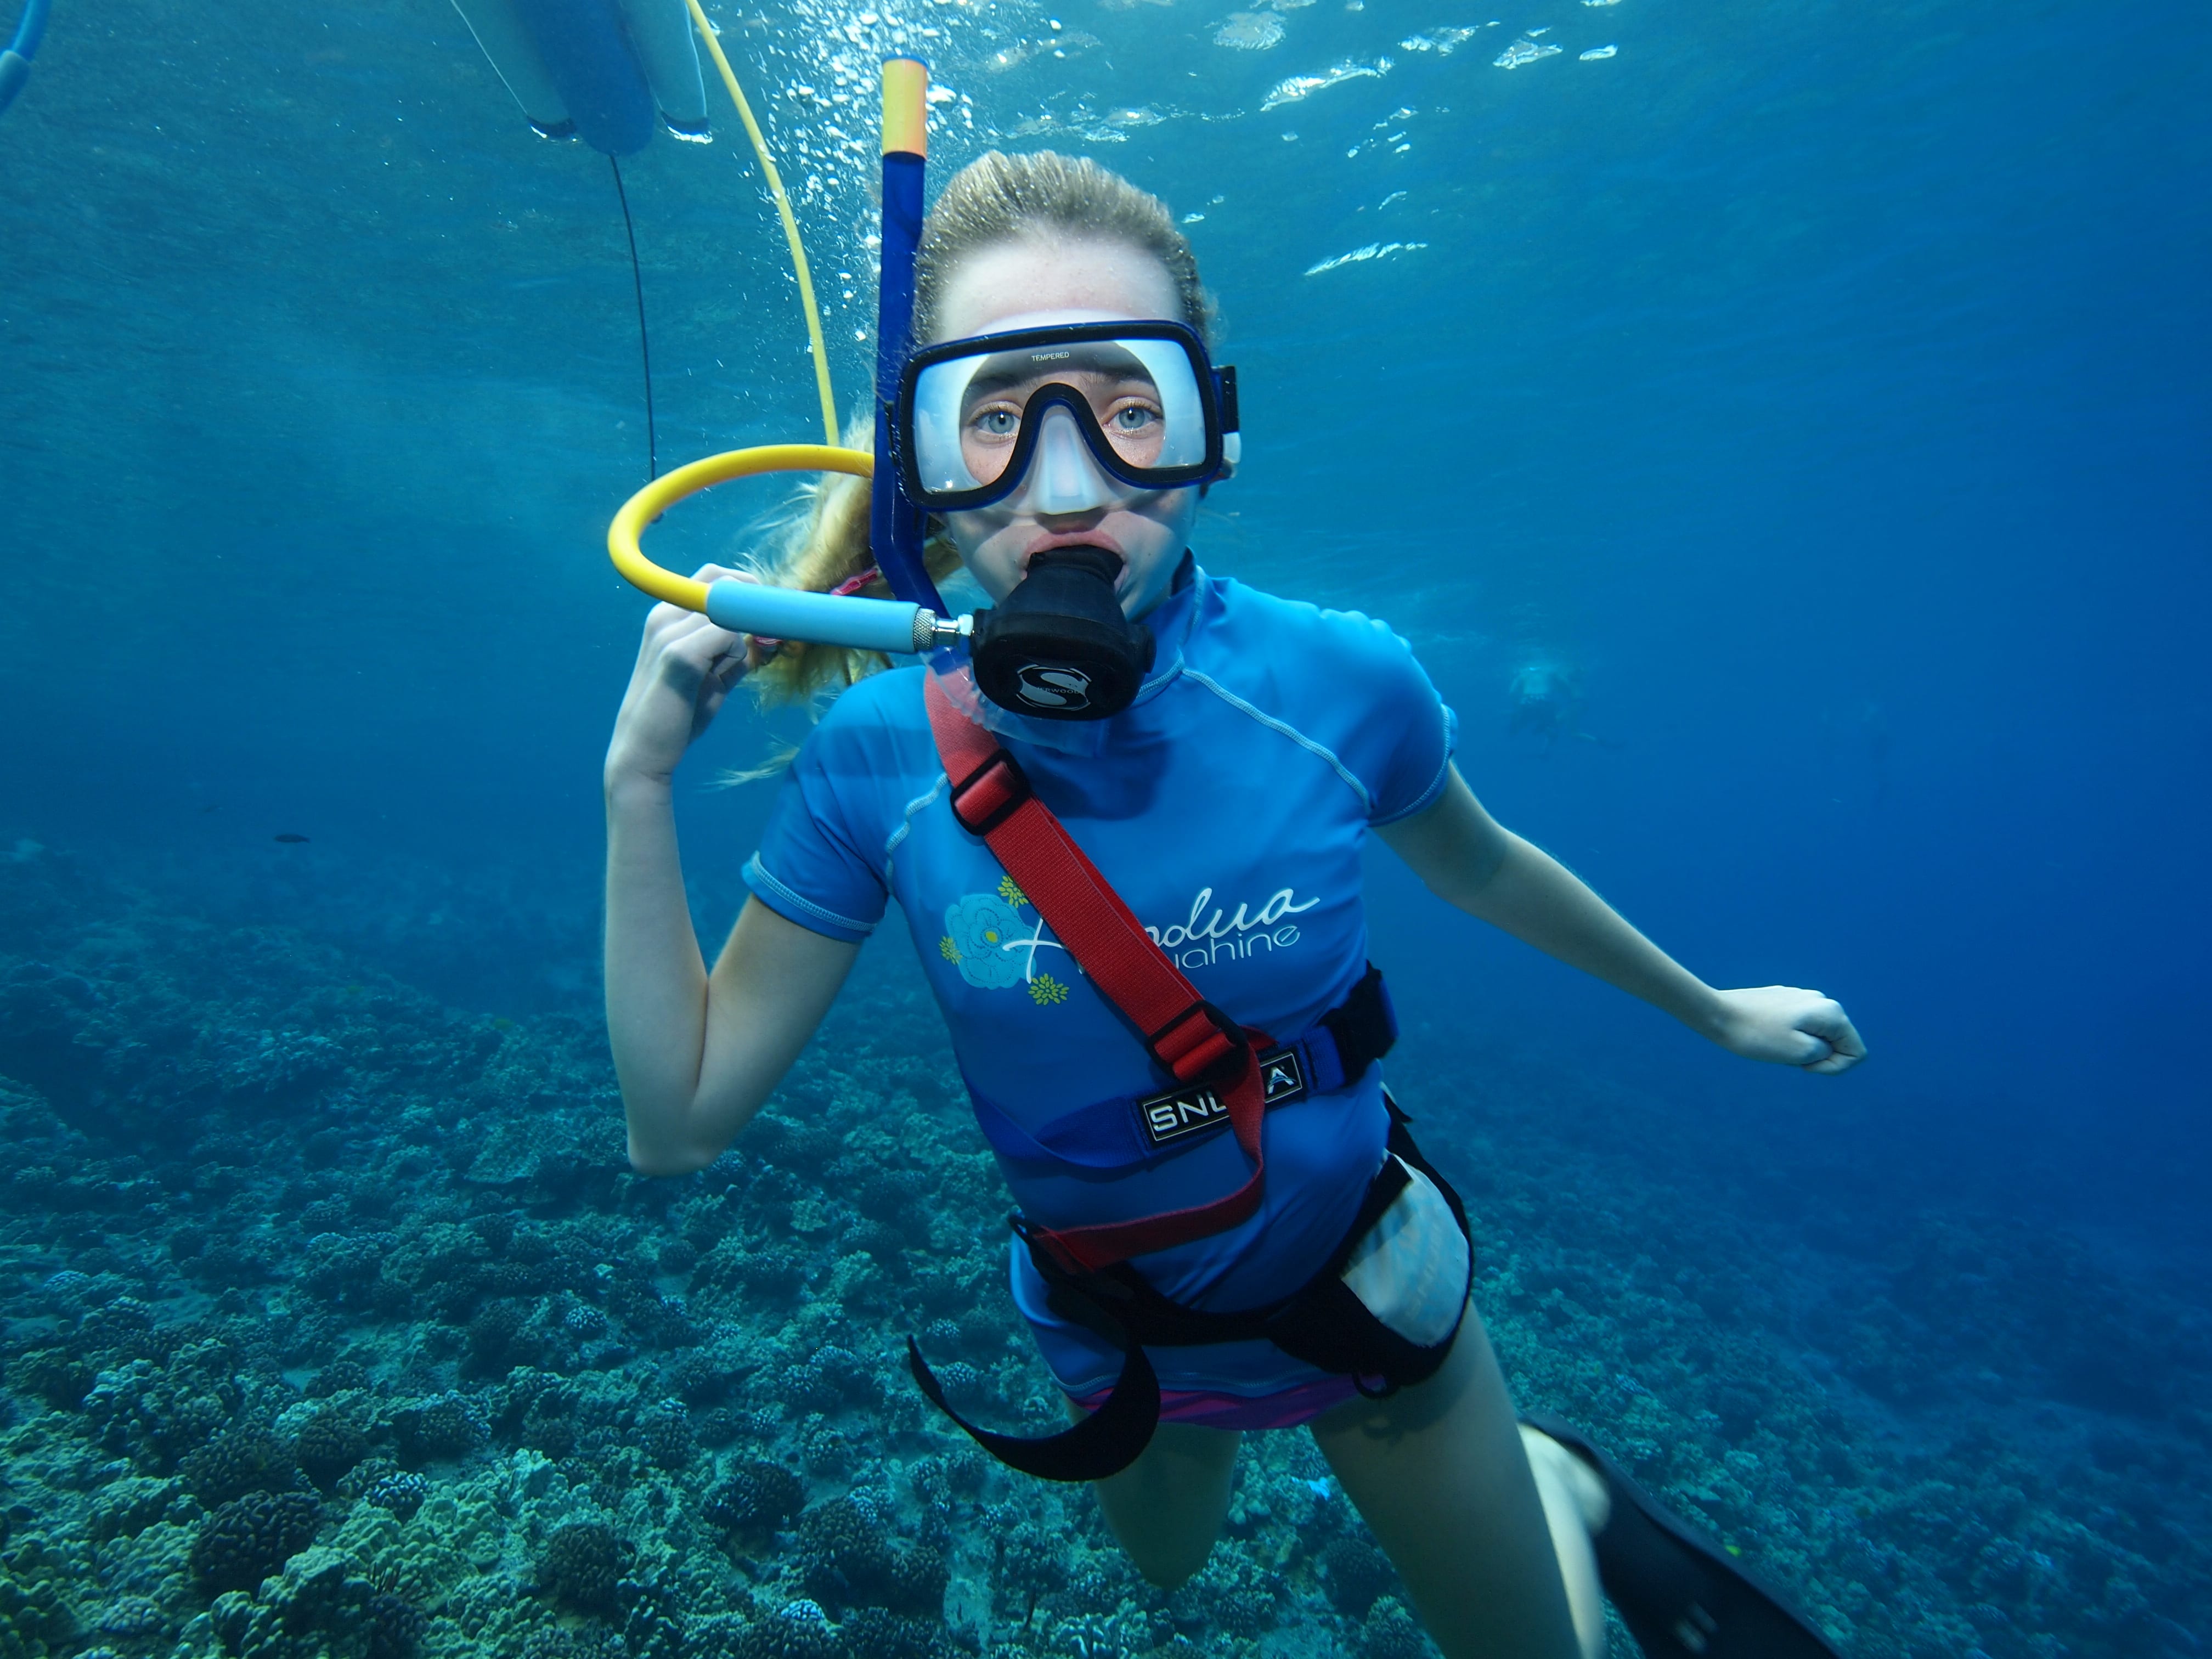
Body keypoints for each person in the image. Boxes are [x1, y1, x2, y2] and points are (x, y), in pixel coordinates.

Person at [603, 150, 1864, 1659]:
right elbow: (677, 1125)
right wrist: (635, 790)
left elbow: (1481, 864)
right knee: (1169, 1572)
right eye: (995, 419)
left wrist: (1716, 1013)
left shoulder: (1340, 681)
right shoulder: (878, 755)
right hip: (1117, 1332)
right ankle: (1503, 1485)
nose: (1066, 486)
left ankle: (1550, 1487)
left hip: (1368, 1300)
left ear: (1214, 438)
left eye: (1130, 409)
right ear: (921, 461)